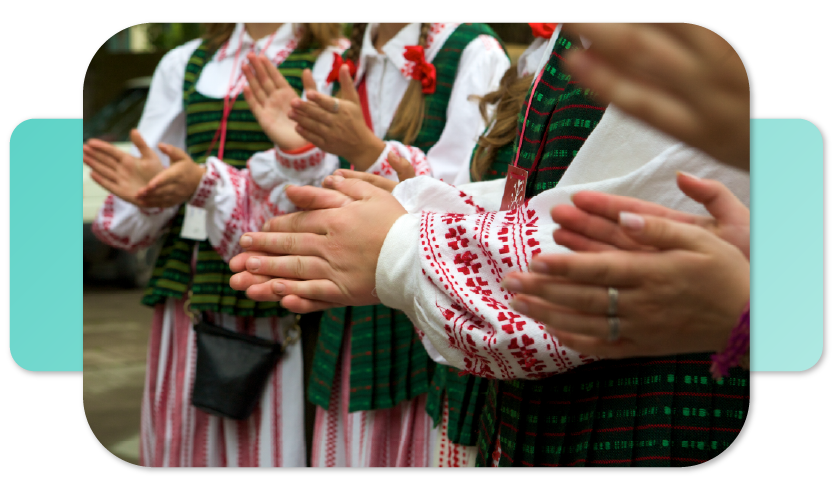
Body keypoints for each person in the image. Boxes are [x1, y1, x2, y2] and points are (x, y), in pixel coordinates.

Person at [229, 23, 752, 467]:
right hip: (485, 355)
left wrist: (400, 236)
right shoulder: (573, 42)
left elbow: (595, 247)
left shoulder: (476, 49)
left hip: (648, 420)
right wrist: (413, 206)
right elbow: (526, 192)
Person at [238, 21, 510, 468]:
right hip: (348, 310)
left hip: (418, 315)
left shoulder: (472, 50)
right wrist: (300, 152)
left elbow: (470, 201)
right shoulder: (343, 62)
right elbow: (320, 192)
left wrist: (366, 149)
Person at [83, 21, 342, 467]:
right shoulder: (184, 62)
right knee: (181, 445)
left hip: (280, 298)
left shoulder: (332, 59)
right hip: (189, 293)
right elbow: (154, 177)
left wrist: (204, 184)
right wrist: (152, 190)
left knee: (270, 448)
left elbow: (324, 189)